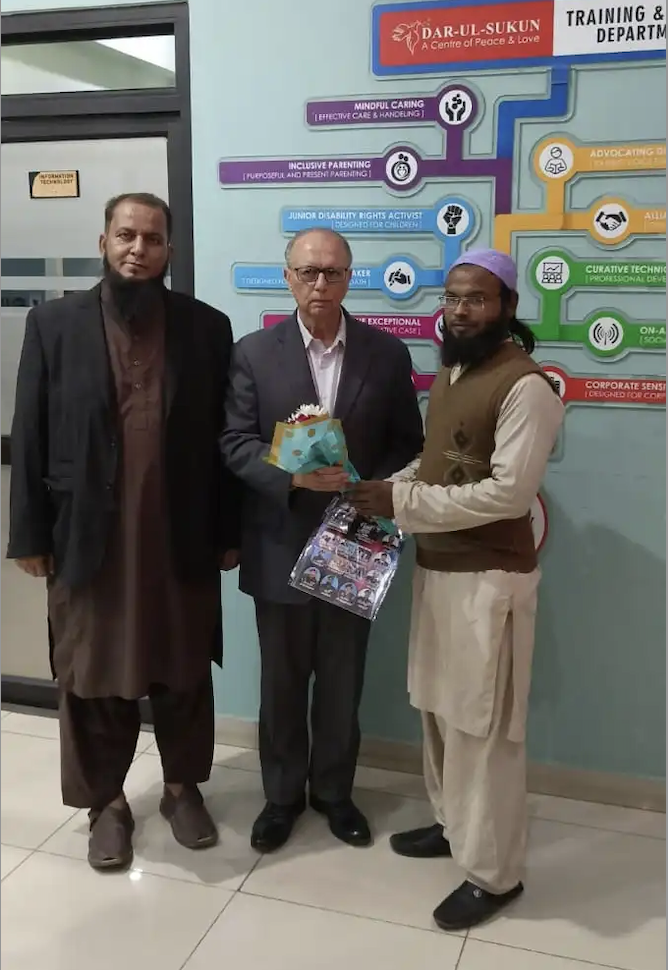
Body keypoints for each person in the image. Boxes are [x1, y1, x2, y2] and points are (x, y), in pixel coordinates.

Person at [7, 192, 241, 871]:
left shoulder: (206, 327)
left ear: (169, 250)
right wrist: (29, 535)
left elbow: (225, 440)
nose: (139, 248)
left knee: (183, 667)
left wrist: (228, 530)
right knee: (91, 672)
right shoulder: (54, 324)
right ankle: (104, 804)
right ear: (104, 241)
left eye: (153, 239)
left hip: (180, 535)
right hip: (86, 537)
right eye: (126, 235)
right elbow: (30, 431)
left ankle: (181, 789)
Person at [351, 249, 564, 931]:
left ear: (507, 307)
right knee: (439, 713)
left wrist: (401, 503)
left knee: (484, 730)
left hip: (490, 584)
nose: (460, 310)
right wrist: (390, 486)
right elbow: (436, 462)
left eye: (476, 298)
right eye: (451, 297)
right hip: (439, 571)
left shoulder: (527, 387)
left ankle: (495, 875)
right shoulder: (451, 373)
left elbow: (508, 495)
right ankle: (453, 827)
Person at [220, 228, 423, 853]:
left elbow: (408, 442)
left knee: (341, 681)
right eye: (308, 272)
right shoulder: (254, 353)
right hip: (279, 541)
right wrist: (292, 477)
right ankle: (281, 797)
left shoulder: (386, 354)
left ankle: (334, 793)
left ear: (349, 278)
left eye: (332, 272)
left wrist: (372, 486)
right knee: (281, 684)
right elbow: (235, 442)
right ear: (288, 278)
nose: (320, 284)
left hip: (356, 545)